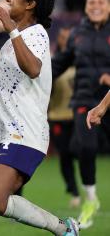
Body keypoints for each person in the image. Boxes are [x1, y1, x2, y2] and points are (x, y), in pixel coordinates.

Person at [0, 0, 79, 236]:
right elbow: (4, 73)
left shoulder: (36, 33)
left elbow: (33, 68)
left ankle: (62, 228)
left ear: (30, 4)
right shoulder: (12, 41)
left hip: (24, 132)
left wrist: (10, 29)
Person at [51, 0, 110, 229]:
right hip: (84, 100)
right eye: (91, 3)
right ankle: (91, 199)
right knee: (85, 148)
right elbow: (58, 65)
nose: (95, 6)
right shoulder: (77, 34)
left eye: (100, 2)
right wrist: (35, 74)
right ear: (86, 7)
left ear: (108, 5)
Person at [48, 26, 80, 208]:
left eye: (69, 36)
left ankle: (82, 185)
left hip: (76, 115)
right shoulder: (53, 63)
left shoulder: (80, 61)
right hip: (58, 116)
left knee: (80, 151)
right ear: (58, 40)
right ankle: (73, 190)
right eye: (63, 37)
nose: (66, 40)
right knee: (65, 154)